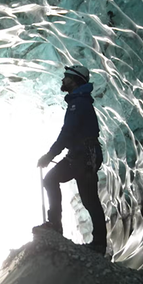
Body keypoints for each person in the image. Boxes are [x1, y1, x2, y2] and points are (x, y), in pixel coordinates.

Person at [36, 65, 108, 256]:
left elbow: (67, 133)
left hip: (85, 156)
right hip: (78, 155)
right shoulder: (77, 101)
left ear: (75, 80)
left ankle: (99, 244)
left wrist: (49, 155)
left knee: (89, 199)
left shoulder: (79, 103)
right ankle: (55, 225)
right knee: (51, 179)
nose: (63, 80)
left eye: (66, 77)